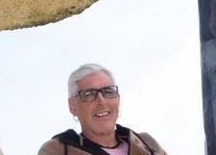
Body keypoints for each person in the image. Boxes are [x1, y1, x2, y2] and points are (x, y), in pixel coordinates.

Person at [38, 63, 166, 155]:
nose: (101, 101)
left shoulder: (146, 142)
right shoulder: (57, 150)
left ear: (118, 99)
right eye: (89, 94)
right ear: (73, 106)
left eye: (108, 91)